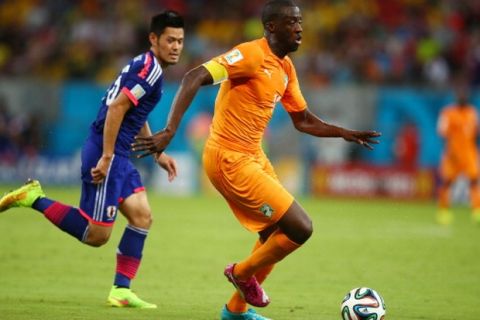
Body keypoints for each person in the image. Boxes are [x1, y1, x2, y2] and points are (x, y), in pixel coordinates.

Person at [133, 1, 381, 319]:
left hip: (253, 156)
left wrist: (343, 132)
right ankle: (240, 273)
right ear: (272, 27)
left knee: (273, 236)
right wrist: (169, 131)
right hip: (229, 157)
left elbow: (302, 120)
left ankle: (235, 310)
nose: (300, 27)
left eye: (301, 21)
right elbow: (193, 77)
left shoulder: (285, 68)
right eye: (292, 22)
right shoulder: (250, 55)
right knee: (300, 228)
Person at [0, 10, 184, 308]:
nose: (176, 46)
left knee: (141, 216)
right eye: (170, 40)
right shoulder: (149, 70)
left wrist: (157, 153)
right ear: (154, 39)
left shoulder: (149, 67)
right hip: (107, 151)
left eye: (180, 41)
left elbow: (135, 111)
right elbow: (115, 109)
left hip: (120, 154)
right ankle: (33, 197)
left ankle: (121, 290)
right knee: (96, 234)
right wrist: (108, 157)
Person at [437, 87, 480, 225]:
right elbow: (442, 132)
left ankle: (477, 211)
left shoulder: (472, 113)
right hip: (453, 154)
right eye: (460, 95)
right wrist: (451, 150)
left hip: (469, 154)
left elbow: (476, 132)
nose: (463, 97)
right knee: (447, 182)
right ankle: (444, 211)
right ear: (456, 97)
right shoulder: (448, 113)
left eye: (464, 95)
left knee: (473, 181)